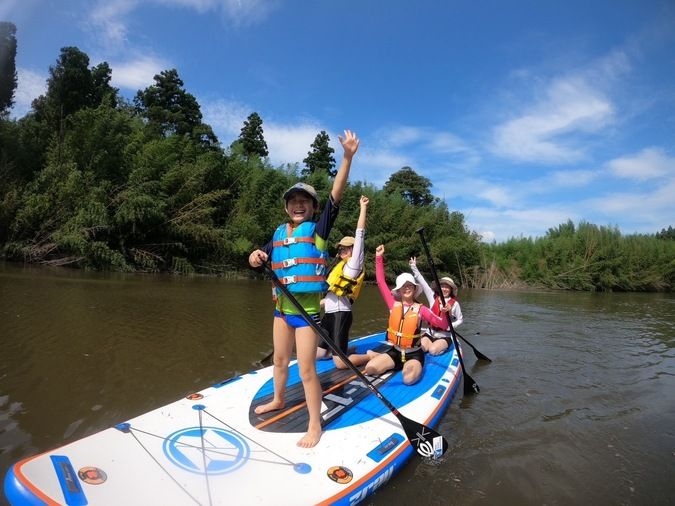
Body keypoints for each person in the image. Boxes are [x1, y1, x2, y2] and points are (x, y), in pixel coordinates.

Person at [248, 130, 359, 448]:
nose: (298, 206)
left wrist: (347, 157)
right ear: (287, 208)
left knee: (307, 370)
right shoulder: (279, 233)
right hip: (281, 311)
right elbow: (259, 258)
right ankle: (279, 399)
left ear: (312, 207)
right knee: (279, 361)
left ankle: (314, 425)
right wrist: (255, 257)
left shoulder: (319, 232)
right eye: (293, 202)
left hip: (307, 314)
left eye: (304, 202)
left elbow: (337, 197)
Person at [363, 244, 448, 385]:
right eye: (404, 286)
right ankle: (387, 361)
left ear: (415, 289)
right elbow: (380, 282)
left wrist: (445, 313)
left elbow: (443, 324)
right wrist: (378, 257)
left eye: (410, 285)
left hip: (413, 353)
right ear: (399, 290)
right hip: (395, 351)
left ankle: (412, 366)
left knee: (409, 379)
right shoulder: (393, 304)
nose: (407, 288)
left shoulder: (421, 309)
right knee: (370, 368)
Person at [316, 195, 370, 369]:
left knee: (339, 363)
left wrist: (363, 208)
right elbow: (332, 294)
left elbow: (360, 234)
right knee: (318, 354)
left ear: (354, 251)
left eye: (346, 248)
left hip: (341, 315)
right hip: (330, 315)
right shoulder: (338, 267)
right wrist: (318, 303)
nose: (341, 251)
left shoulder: (354, 265)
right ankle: (344, 349)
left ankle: (369, 357)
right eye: (340, 249)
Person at [409, 257, 463, 355]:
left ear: (451, 289)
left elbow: (460, 319)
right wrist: (414, 267)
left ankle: (443, 346)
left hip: (444, 335)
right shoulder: (432, 297)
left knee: (432, 351)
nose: (444, 289)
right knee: (421, 349)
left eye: (447, 287)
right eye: (442, 286)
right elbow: (422, 281)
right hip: (430, 332)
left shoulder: (455, 304)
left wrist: (451, 326)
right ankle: (430, 346)